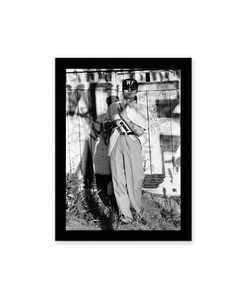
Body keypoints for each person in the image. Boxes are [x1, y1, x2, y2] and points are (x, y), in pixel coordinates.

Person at [104, 78, 146, 224]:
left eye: (132, 88)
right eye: (126, 88)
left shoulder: (140, 109)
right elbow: (105, 125)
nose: (129, 91)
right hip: (116, 141)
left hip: (132, 141)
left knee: (135, 178)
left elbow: (140, 131)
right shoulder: (113, 106)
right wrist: (112, 123)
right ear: (122, 90)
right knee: (118, 180)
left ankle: (136, 211)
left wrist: (125, 119)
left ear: (136, 90)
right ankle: (125, 216)